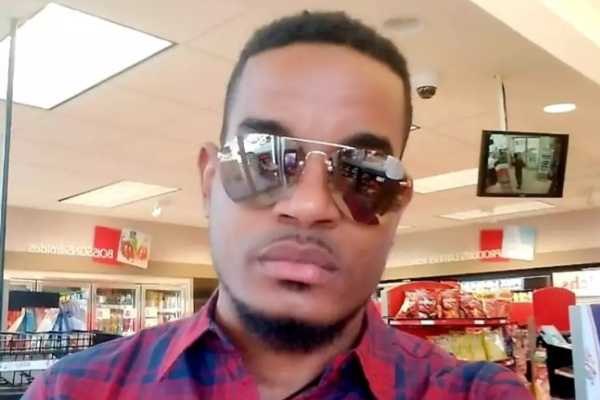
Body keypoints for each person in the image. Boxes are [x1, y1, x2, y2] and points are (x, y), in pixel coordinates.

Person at [23, 11, 535, 400]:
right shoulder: (73, 391)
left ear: (397, 204)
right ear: (209, 181)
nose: (309, 205)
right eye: (263, 159)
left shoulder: (478, 394)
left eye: (365, 172)